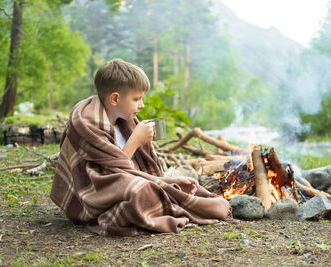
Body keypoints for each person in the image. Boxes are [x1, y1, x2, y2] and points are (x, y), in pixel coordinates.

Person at [50, 58, 231, 236]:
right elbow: (108, 173)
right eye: (136, 99)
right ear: (115, 99)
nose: (142, 105)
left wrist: (167, 181)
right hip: (94, 192)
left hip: (125, 182)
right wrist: (136, 141)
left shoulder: (124, 121)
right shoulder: (87, 124)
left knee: (184, 185)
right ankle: (160, 204)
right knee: (141, 192)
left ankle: (170, 201)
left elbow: (133, 171)